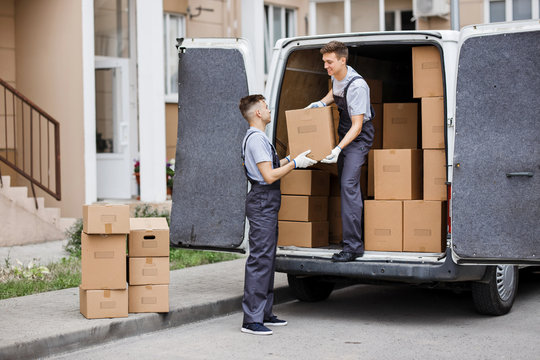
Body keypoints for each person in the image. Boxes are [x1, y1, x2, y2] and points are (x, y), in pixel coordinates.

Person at [239, 94, 317, 335]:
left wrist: (292, 158)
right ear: (258, 114)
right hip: (263, 199)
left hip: (266, 200)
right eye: (266, 106)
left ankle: (264, 312)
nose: (269, 109)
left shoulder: (260, 138)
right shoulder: (256, 140)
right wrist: (295, 165)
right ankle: (251, 320)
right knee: (260, 260)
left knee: (268, 258)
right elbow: (269, 176)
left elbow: (271, 166)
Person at [306, 41, 374, 262]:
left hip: (358, 136)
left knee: (347, 186)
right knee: (348, 188)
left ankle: (353, 247)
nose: (325, 66)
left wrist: (337, 148)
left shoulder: (357, 86)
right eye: (324, 62)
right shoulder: (337, 75)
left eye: (329, 62)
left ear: (342, 60)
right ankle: (355, 239)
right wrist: (321, 103)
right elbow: (334, 93)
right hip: (345, 132)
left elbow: (357, 125)